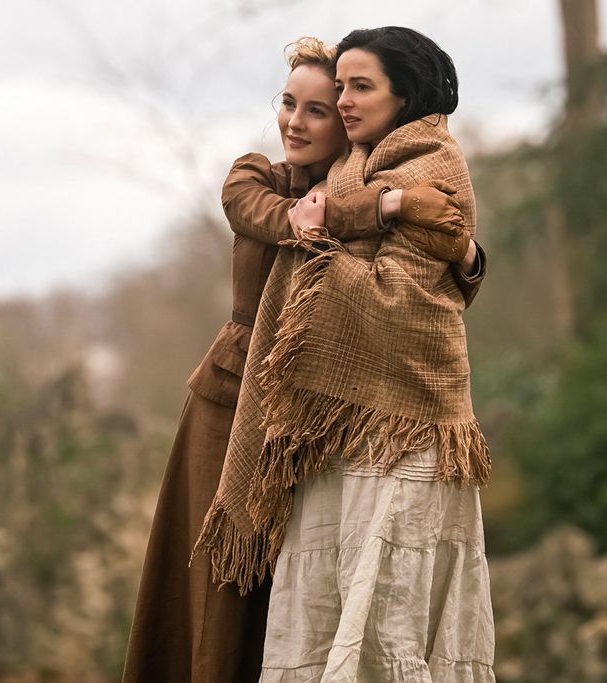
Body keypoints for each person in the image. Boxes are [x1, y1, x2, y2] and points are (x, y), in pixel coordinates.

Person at [121, 36, 478, 683]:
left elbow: (438, 269)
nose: (298, 119)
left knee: (292, 590)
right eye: (291, 103)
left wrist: (459, 249)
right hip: (234, 401)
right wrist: (387, 206)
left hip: (313, 419)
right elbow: (293, 222)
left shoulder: (363, 171)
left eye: (321, 108)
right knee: (220, 582)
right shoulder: (256, 177)